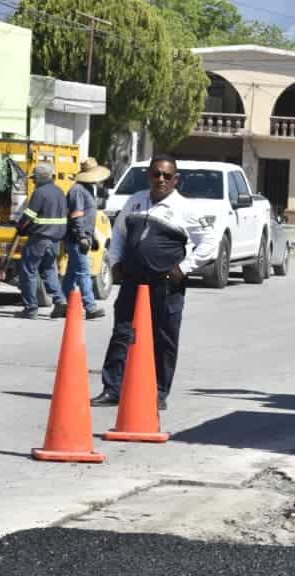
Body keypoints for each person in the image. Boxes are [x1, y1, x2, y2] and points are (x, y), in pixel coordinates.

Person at [91, 154, 214, 411]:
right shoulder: (135, 202)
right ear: (149, 175)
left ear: (175, 179)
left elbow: (209, 243)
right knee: (123, 334)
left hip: (166, 286)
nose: (161, 180)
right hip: (133, 282)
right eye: (156, 174)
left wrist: (184, 268)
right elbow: (119, 233)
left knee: (164, 338)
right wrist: (115, 263)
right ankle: (113, 388)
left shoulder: (186, 208)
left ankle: (158, 392)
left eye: (167, 176)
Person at [54, 157, 111, 321]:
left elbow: (87, 217)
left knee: (72, 273)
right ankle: (90, 307)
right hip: (76, 238)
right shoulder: (78, 190)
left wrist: (91, 236)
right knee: (84, 272)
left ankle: (62, 304)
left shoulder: (86, 189)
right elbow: (77, 216)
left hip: (82, 237)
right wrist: (81, 236)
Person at [13, 163, 67, 319]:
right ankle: (60, 301)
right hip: (55, 240)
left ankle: (30, 308)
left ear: (40, 178)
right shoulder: (59, 192)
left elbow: (29, 216)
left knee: (28, 270)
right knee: (49, 270)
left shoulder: (40, 193)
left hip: (40, 238)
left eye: (34, 178)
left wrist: (20, 228)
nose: (33, 181)